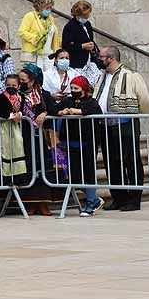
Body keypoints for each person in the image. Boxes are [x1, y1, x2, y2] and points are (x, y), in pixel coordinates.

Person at [91, 46, 149, 212]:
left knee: (130, 160)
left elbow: (144, 99)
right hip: (105, 124)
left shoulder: (130, 75)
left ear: (110, 58)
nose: (98, 58)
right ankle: (119, 197)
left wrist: (139, 116)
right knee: (111, 162)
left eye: (101, 56)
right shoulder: (102, 76)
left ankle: (134, 199)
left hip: (125, 122)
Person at [12, 63, 58, 216]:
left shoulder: (43, 95)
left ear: (32, 80)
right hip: (24, 138)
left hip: (42, 139)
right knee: (29, 169)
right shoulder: (17, 95)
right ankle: (31, 203)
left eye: (24, 79)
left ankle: (44, 204)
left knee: (43, 169)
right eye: (20, 79)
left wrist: (45, 113)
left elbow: (54, 110)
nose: (22, 82)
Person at [55, 75, 105, 217]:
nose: (73, 90)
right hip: (70, 142)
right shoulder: (68, 100)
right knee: (74, 175)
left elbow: (96, 112)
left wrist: (78, 111)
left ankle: (90, 203)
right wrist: (61, 111)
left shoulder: (91, 102)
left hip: (87, 142)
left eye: (76, 88)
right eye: (71, 88)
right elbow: (55, 109)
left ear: (83, 88)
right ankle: (94, 199)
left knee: (88, 172)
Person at [18, 0, 61, 74]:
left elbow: (53, 35)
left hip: (49, 54)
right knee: (36, 78)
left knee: (49, 78)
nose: (49, 9)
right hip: (34, 54)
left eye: (50, 7)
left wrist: (57, 50)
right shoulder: (30, 16)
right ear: (39, 6)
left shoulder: (50, 18)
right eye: (47, 7)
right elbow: (21, 32)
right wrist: (35, 38)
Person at [63, 0, 97, 69]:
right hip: (77, 63)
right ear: (77, 15)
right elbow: (66, 46)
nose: (86, 18)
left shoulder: (87, 24)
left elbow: (90, 38)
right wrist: (82, 46)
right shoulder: (70, 26)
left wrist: (92, 45)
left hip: (88, 60)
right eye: (84, 16)